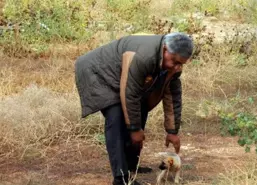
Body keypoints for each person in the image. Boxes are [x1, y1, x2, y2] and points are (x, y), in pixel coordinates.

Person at [74, 32, 194, 185]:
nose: (177, 67)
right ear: (165, 49)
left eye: (181, 64)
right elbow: (129, 93)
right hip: (98, 72)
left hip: (124, 75)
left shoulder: (173, 64)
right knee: (116, 118)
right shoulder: (143, 56)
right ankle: (121, 178)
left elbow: (172, 96)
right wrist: (134, 129)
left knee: (139, 111)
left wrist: (172, 131)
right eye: (175, 62)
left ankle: (131, 168)